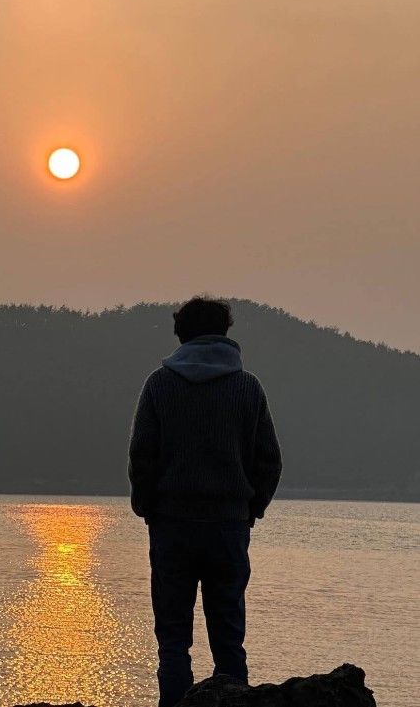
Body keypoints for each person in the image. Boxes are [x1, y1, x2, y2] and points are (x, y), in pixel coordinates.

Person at [129, 297, 282, 706]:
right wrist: (252, 508)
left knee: (173, 641)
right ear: (226, 332)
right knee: (229, 639)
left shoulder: (159, 384)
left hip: (171, 526)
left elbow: (142, 454)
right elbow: (269, 460)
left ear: (181, 333)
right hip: (228, 527)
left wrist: (146, 507)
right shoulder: (248, 387)